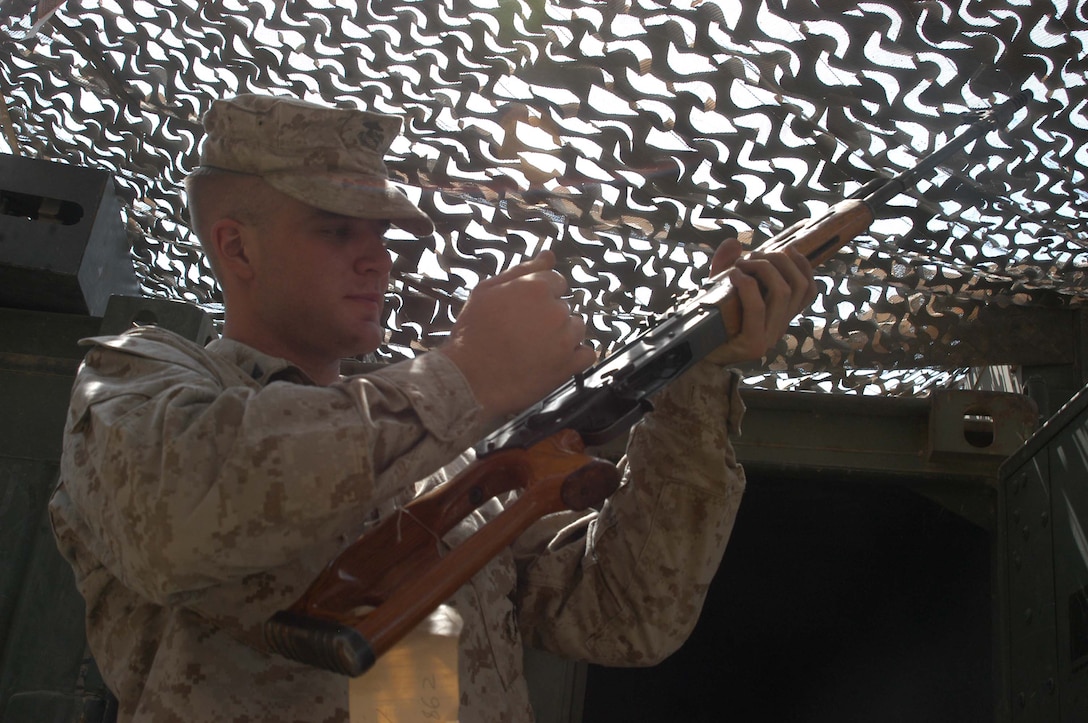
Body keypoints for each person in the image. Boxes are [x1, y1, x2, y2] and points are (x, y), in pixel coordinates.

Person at [49, 94, 817, 723]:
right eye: (336, 229)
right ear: (237, 247)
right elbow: (175, 517)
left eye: (380, 230)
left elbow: (625, 614)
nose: (378, 255)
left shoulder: (440, 450)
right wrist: (467, 375)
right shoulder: (141, 380)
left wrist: (697, 379)